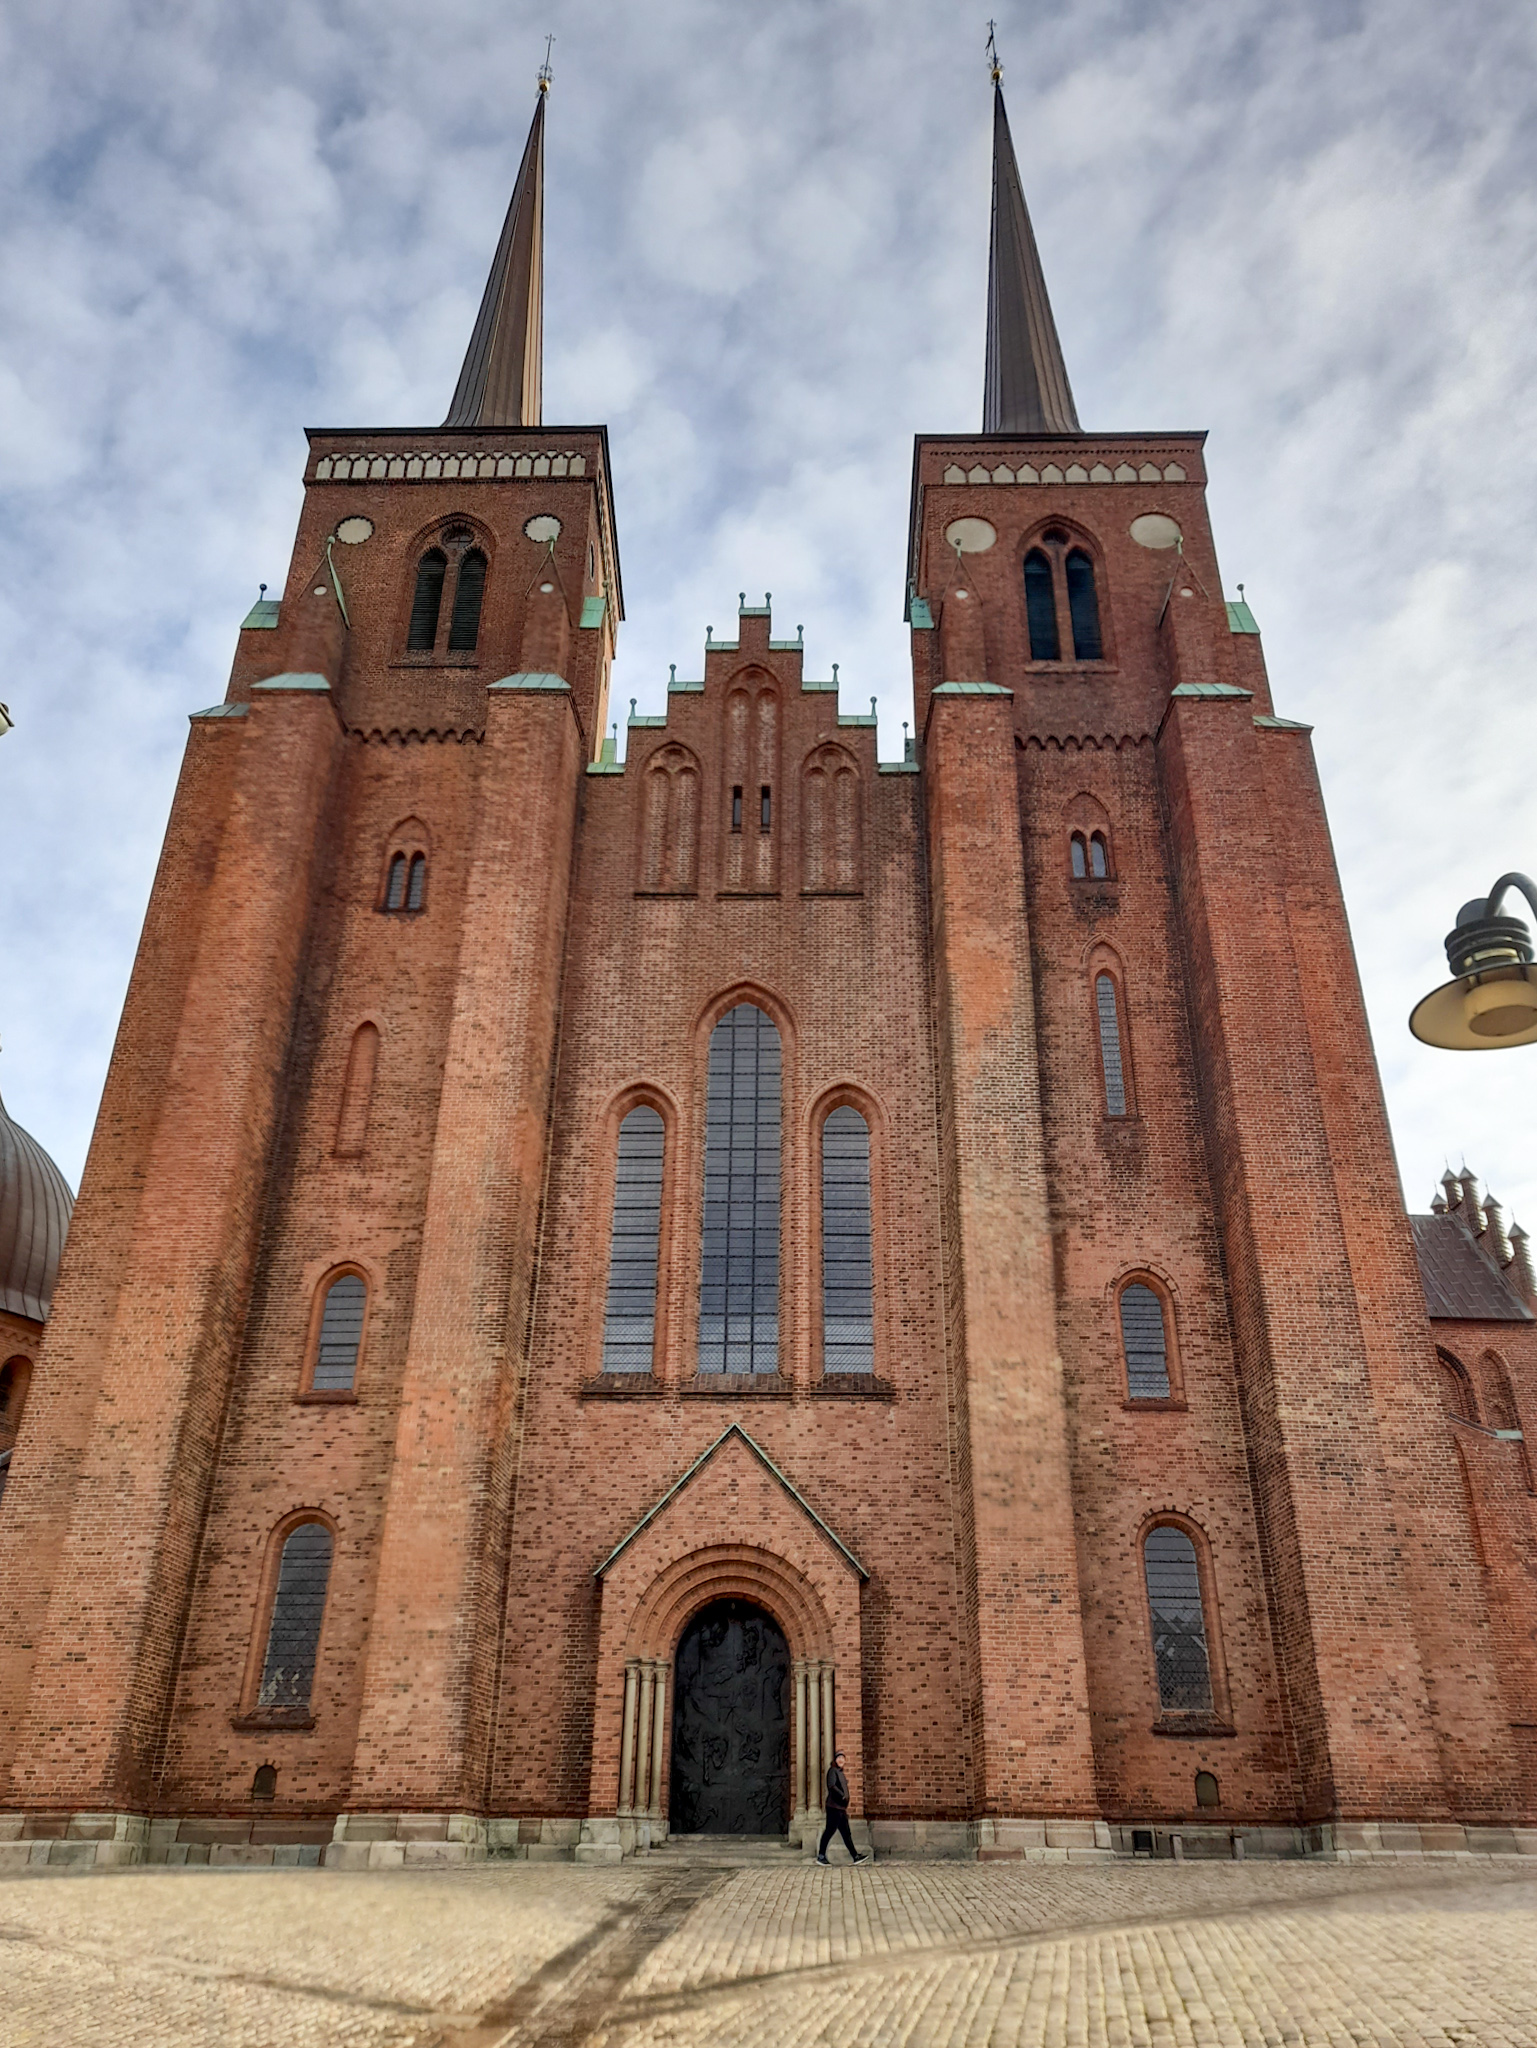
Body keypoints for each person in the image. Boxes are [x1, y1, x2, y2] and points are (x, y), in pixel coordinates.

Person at [815, 1749, 869, 1865]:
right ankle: (821, 1856)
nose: (841, 1760)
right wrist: (842, 1796)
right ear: (835, 1760)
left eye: (842, 1758)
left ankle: (855, 1856)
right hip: (834, 1807)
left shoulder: (839, 1772)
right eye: (839, 1758)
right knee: (829, 1831)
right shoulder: (833, 1771)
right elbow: (832, 1785)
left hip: (840, 1808)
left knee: (846, 1833)